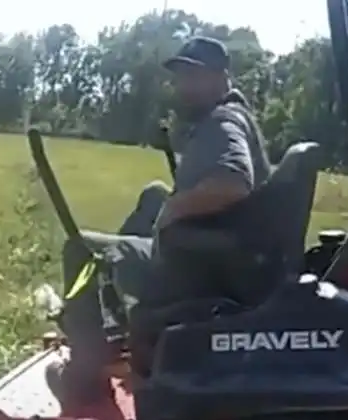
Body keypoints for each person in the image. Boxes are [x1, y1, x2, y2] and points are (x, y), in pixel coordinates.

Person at [59, 36, 273, 391]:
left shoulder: (223, 123)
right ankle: (117, 309)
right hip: (223, 250)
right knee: (155, 194)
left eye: (194, 77)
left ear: (221, 78)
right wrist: (170, 201)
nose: (183, 88)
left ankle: (87, 367)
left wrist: (176, 207)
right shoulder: (234, 115)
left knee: (81, 248)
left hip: (201, 273)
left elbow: (234, 182)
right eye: (180, 78)